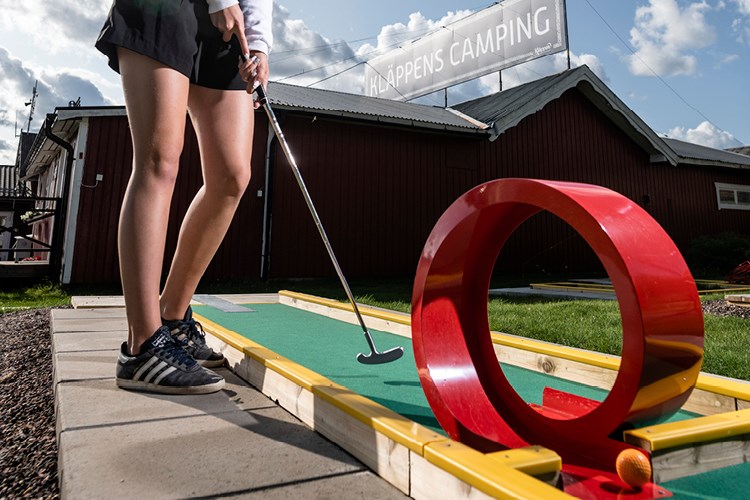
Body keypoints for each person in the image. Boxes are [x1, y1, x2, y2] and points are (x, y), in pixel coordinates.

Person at [95, 0, 272, 394]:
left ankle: (172, 317)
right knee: (159, 161)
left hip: (225, 32)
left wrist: (259, 46)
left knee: (231, 177)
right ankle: (142, 346)